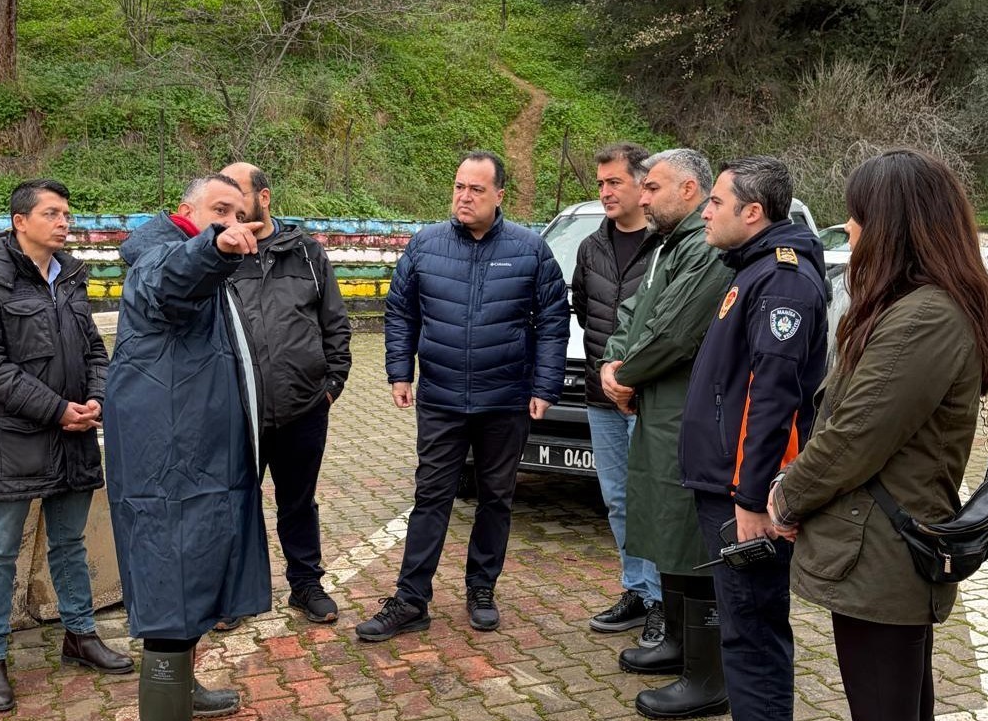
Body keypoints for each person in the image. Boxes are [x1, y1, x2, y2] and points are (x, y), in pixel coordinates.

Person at [773, 149, 988, 721]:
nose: (852, 230)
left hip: (882, 555)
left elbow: (852, 438)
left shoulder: (925, 318)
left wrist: (787, 495)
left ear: (897, 227)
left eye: (861, 216)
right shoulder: (928, 307)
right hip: (884, 550)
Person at [103, 174, 272, 721]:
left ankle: (186, 691)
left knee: (196, 570)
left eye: (237, 213)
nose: (227, 220)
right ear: (186, 211)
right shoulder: (162, 256)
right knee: (172, 581)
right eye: (217, 210)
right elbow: (171, 283)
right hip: (169, 462)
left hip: (197, 451)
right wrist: (216, 249)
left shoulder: (192, 256)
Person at [356, 150, 569, 641]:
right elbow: (401, 312)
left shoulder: (530, 249)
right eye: (458, 187)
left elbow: (554, 321)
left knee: (496, 497)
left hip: (505, 398)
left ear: (499, 195)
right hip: (441, 397)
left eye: (476, 189)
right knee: (431, 497)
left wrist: (545, 385)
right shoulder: (425, 245)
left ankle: (481, 589)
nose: (464, 197)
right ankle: (411, 600)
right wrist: (398, 372)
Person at [679, 156, 827, 721]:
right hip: (730, 485)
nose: (705, 211)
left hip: (749, 496)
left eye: (715, 201)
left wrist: (749, 500)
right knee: (745, 631)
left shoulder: (783, 285)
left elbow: (771, 404)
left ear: (753, 214)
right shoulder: (756, 273)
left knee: (755, 634)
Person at [0, 178, 133, 714]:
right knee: (0, 551)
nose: (64, 222)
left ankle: (79, 636)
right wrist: (57, 409)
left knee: (69, 543)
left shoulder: (71, 275)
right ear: (20, 221)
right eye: (53, 213)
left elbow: (96, 350)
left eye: (66, 213)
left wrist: (97, 399)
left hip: (77, 434)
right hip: (19, 439)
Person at [599, 149, 734, 716]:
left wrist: (624, 374)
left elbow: (675, 332)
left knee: (687, 532)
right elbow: (631, 315)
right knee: (661, 521)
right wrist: (611, 362)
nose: (642, 197)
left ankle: (707, 676)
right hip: (657, 409)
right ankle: (678, 643)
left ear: (690, 189)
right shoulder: (667, 247)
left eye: (652, 188)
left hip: (684, 410)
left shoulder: (704, 249)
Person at [219, 162, 352, 625]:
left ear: (264, 198)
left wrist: (331, 386)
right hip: (239, 412)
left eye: (237, 192)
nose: (230, 203)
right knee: (236, 501)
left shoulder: (308, 255)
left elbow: (335, 323)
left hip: (304, 407)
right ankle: (234, 596)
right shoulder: (217, 256)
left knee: (298, 501)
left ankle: (306, 585)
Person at [574, 143, 666, 643]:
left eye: (615, 182)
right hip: (600, 397)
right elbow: (584, 310)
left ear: (641, 184)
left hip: (649, 397)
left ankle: (661, 602)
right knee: (618, 500)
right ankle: (636, 589)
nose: (606, 192)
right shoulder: (591, 247)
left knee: (652, 501)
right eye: (601, 183)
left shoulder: (667, 245)